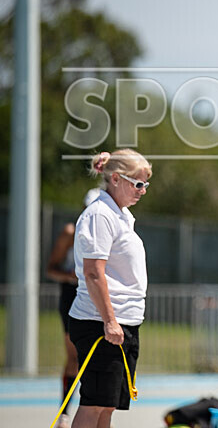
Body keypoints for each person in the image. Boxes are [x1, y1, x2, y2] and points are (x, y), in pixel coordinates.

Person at [68, 149, 151, 428]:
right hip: (100, 323)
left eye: (145, 184)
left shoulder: (121, 215)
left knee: (108, 406)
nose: (142, 191)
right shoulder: (100, 214)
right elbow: (93, 272)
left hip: (123, 322)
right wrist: (110, 321)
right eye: (137, 184)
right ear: (115, 178)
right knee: (94, 404)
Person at [45, 188, 101, 428]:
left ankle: (95, 412)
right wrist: (70, 276)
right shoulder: (71, 232)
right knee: (74, 356)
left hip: (99, 294)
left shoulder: (113, 229)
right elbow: (51, 268)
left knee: (99, 356)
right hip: (73, 294)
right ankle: (64, 412)